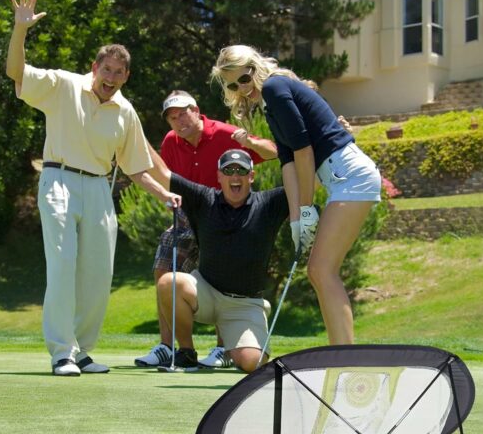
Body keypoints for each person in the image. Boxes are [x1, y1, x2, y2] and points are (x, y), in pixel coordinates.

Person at [6, 0, 179, 376]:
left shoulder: (125, 110)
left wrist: (163, 193)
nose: (112, 78)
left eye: (119, 73)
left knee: (98, 274)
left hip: (100, 188)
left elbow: (136, 167)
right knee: (63, 266)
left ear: (126, 76)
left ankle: (83, 350)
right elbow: (15, 72)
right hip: (59, 181)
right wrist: (21, 31)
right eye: (107, 70)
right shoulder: (63, 84)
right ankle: (61, 353)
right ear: (94, 67)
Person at [211, 45, 382, 346]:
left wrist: (306, 209)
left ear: (255, 68)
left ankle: (344, 355)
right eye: (233, 85)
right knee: (319, 271)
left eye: (245, 79)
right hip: (341, 179)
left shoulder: (276, 86)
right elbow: (288, 160)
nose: (242, 88)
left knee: (321, 269)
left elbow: (305, 152)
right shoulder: (268, 101)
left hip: (351, 175)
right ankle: (340, 352)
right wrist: (295, 221)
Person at [134, 90, 277, 369]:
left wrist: (249, 142)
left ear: (196, 110)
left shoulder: (225, 133)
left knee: (223, 270)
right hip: (190, 215)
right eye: (172, 118)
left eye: (183, 113)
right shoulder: (170, 142)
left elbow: (272, 153)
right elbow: (167, 176)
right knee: (164, 267)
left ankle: (224, 348)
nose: (178, 121)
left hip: (227, 215)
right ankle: (169, 346)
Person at [145, 149, 289, 373]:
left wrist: (336, 144)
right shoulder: (204, 199)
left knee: (253, 364)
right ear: (219, 176)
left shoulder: (269, 203)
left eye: (241, 170)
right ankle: (186, 353)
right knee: (168, 282)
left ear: (251, 176)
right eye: (228, 170)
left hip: (244, 304)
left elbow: (314, 182)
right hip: (206, 293)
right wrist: (132, 129)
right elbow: (162, 173)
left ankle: (233, 348)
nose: (235, 176)